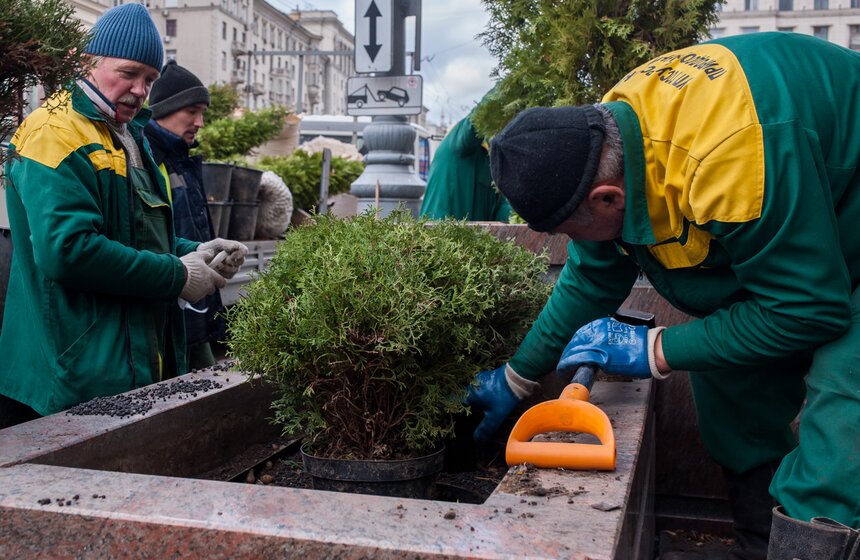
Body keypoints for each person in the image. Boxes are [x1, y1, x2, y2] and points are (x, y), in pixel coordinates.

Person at [468, 32, 860, 559]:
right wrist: (516, 377)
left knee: (840, 435)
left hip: (841, 211)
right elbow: (591, 277)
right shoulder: (607, 138)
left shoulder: (728, 160)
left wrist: (655, 350)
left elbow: (807, 310)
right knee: (732, 392)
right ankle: (757, 544)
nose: (573, 244)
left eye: (572, 230)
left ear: (608, 198)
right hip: (803, 215)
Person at [0, 4, 244, 429]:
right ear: (86, 63)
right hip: (73, 376)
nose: (140, 89)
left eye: (149, 79)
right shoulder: (53, 131)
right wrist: (177, 275)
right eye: (128, 73)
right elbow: (68, 251)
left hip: (123, 368)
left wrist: (197, 253)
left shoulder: (129, 136)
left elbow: (135, 234)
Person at [145, 60, 239, 370]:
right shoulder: (147, 159)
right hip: (170, 310)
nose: (199, 122)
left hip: (195, 307)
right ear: (164, 110)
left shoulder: (183, 162)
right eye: (192, 112)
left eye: (202, 114)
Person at [419, 112, 511, 222]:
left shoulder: (492, 162)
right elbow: (479, 117)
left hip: (468, 235)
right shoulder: (458, 144)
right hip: (438, 232)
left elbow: (502, 213)